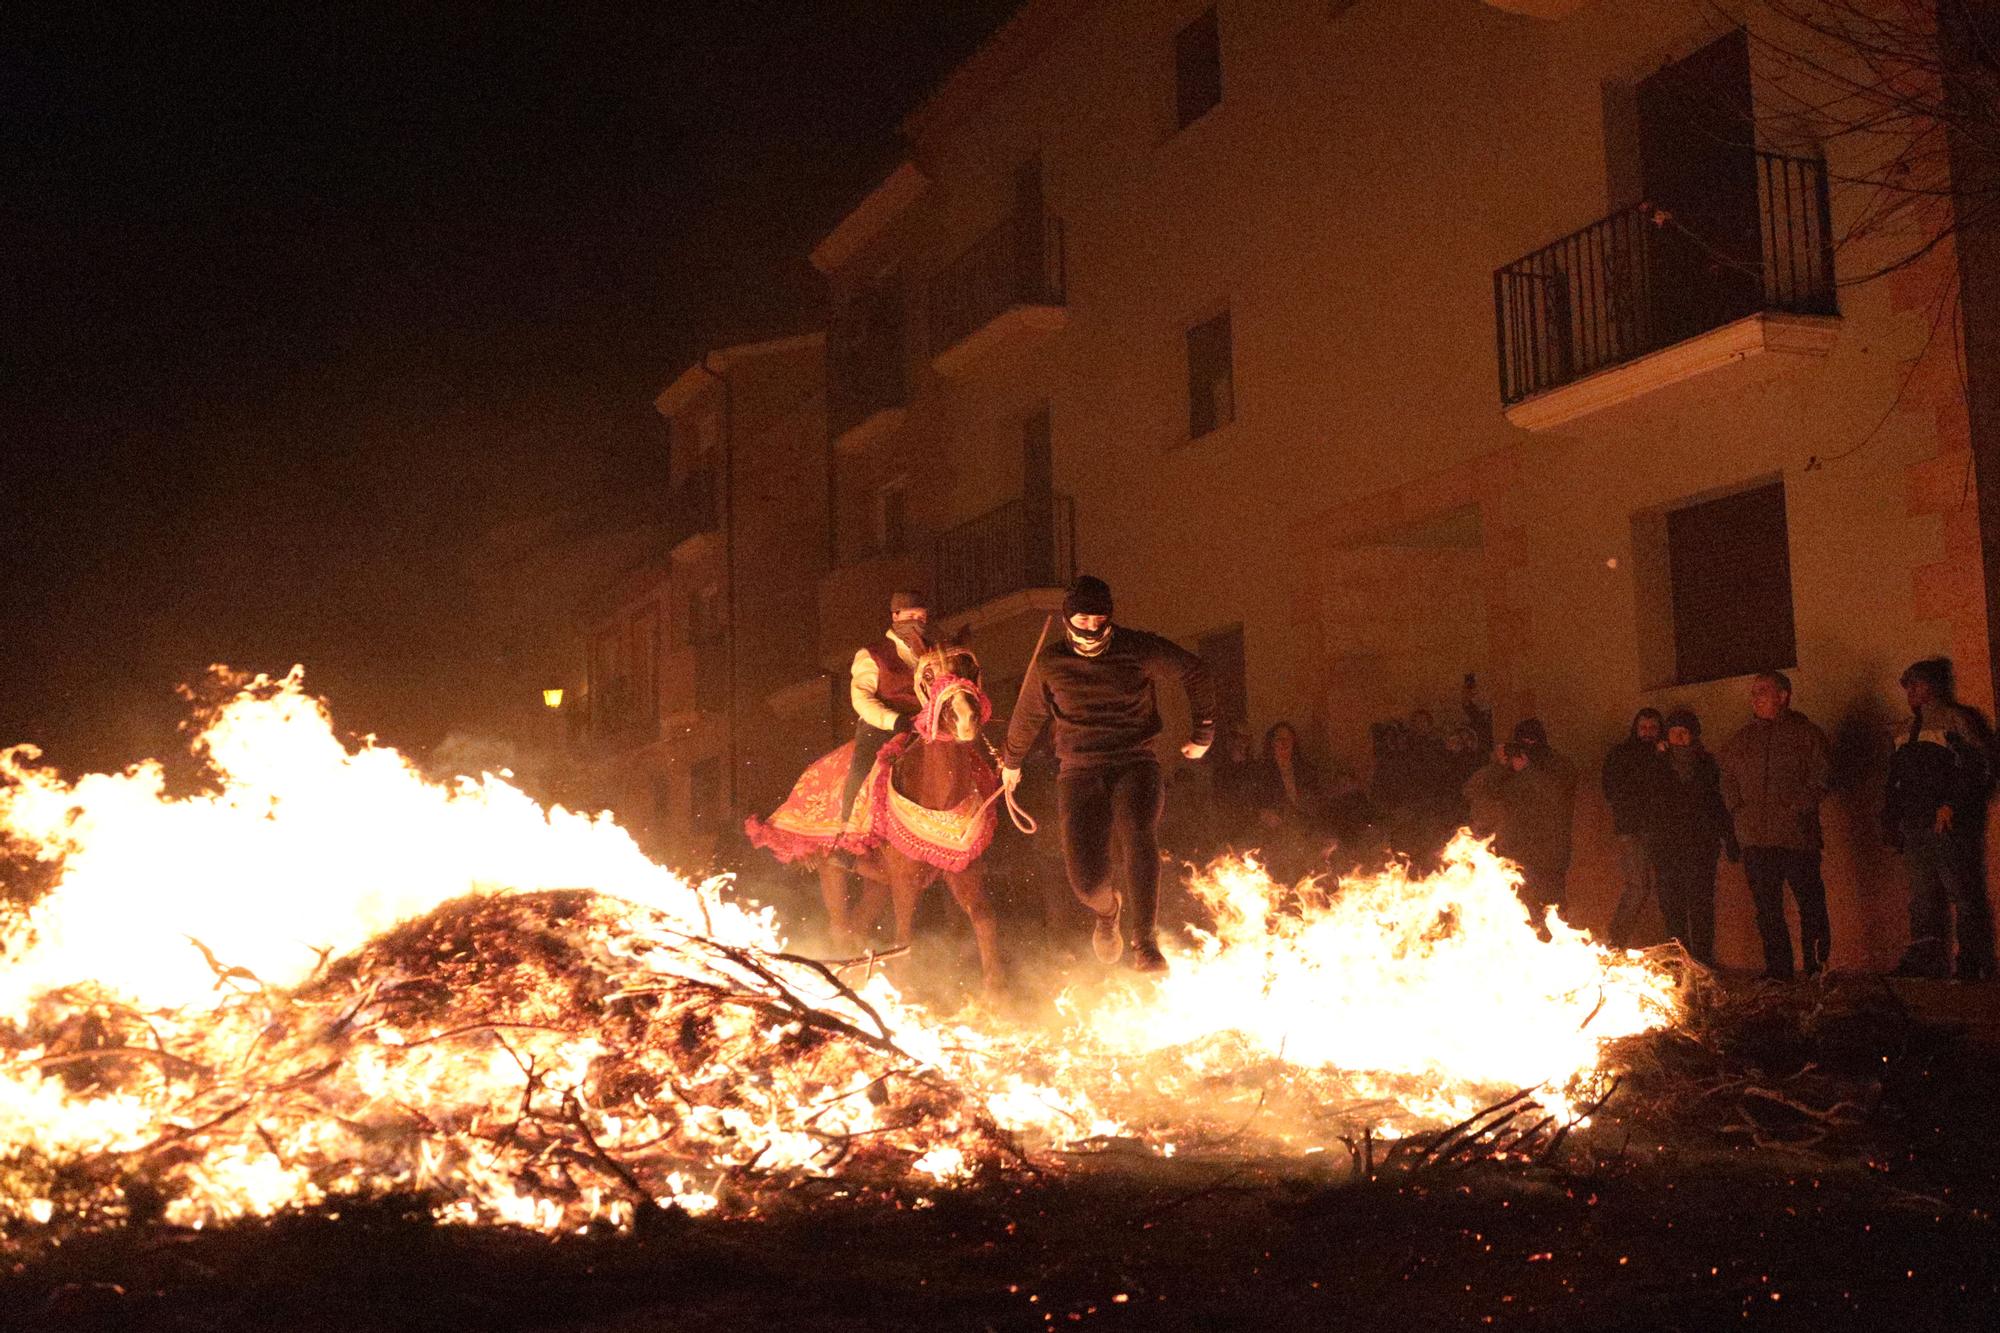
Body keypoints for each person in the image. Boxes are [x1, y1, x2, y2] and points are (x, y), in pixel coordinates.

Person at [1000, 575, 1217, 973]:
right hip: (1080, 771)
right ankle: (1107, 912)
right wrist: (1010, 763)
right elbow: (1028, 714)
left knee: (1138, 831)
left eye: (1099, 619)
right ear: (1068, 619)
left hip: (1136, 761)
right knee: (1086, 882)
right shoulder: (1050, 663)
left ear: (1109, 618)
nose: (1091, 627)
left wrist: (1203, 732)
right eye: (1082, 620)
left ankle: (1145, 942)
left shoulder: (1136, 648)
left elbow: (1195, 671)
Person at [1883, 657, 1996, 980]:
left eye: (1915, 684)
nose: (1909, 692)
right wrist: (1890, 817)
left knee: (1962, 892)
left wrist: (1952, 805)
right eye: (1907, 686)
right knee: (1922, 897)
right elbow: (1894, 779)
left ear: (1932, 686)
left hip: (1946, 823)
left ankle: (1973, 963)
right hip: (1914, 824)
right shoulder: (1905, 731)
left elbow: (1978, 768)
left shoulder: (1955, 720)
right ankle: (1926, 961)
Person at [1717, 671, 1832, 981]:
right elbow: (1726, 777)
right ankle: (1778, 971)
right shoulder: (1742, 740)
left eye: (1763, 691)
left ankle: (1815, 968)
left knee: (1810, 904)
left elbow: (1823, 776)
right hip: (1756, 838)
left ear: (1784, 695)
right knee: (1767, 910)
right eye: (1754, 692)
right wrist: (1738, 809)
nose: (1756, 697)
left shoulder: (1806, 735)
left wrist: (1797, 808)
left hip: (1797, 838)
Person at [1463, 718, 1579, 933]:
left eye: (1531, 742)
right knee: (1520, 917)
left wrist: (1527, 770)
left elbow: (1555, 796)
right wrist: (1499, 765)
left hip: (1549, 852)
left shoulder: (1557, 764)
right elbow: (1472, 790)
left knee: (1553, 915)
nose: (1528, 747)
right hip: (1515, 852)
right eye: (1522, 742)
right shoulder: (1508, 767)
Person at [1642, 708, 1737, 967]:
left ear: (1693, 735)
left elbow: (1719, 804)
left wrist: (1729, 838)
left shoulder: (1707, 765)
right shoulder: (1658, 767)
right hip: (1667, 847)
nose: (1679, 737)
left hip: (1700, 845)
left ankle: (1702, 960)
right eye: (1674, 732)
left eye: (1684, 732)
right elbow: (1650, 806)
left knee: (1700, 904)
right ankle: (1678, 959)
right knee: (1672, 906)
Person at [837, 590, 930, 828]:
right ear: (896, 616)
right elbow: (861, 697)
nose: (918, 622)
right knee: (862, 774)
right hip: (881, 728)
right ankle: (847, 831)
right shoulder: (872, 654)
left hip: (923, 729)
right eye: (912, 615)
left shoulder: (931, 654)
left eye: (922, 617)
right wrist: (893, 720)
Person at [1602, 708, 1666, 949]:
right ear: (1635, 729)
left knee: (1661, 888)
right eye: (1643, 728)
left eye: (1652, 728)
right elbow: (1611, 788)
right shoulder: (1621, 754)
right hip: (1632, 829)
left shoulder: (1665, 755)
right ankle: (1615, 942)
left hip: (1659, 829)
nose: (1648, 733)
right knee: (1638, 886)